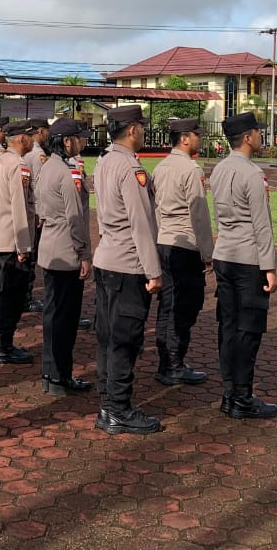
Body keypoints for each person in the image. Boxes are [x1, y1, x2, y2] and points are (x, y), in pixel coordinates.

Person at [92, 105, 163, 435]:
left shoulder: (105, 160)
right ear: (132, 130)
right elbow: (141, 223)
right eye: (142, 127)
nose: (144, 132)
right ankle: (118, 408)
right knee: (125, 339)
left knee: (108, 337)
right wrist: (153, 271)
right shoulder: (130, 167)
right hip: (128, 263)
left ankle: (109, 403)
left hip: (106, 257)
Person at [209, 111, 277, 420]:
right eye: (258, 132)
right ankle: (242, 396)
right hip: (248, 259)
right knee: (248, 330)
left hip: (224, 253)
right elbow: (262, 225)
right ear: (248, 137)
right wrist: (270, 267)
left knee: (228, 328)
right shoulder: (252, 173)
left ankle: (230, 393)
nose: (261, 137)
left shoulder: (219, 170)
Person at [152, 118, 214, 386]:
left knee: (167, 305)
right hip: (185, 244)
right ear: (185, 138)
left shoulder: (160, 167)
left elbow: (153, 207)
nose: (199, 139)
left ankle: (167, 361)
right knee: (185, 306)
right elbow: (199, 214)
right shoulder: (190, 169)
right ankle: (173, 364)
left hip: (164, 239)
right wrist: (207, 252)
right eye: (196, 135)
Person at [36, 117, 93, 395]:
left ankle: (51, 373)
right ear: (66, 141)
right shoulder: (64, 173)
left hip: (50, 248)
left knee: (53, 314)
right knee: (65, 319)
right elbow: (75, 218)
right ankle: (60, 375)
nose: (82, 142)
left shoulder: (47, 168)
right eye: (78, 138)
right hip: (66, 251)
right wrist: (84, 253)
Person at [0, 119, 37, 364]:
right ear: (21, 139)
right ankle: (2, 346)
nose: (34, 140)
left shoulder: (0, 160)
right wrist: (24, 246)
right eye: (31, 136)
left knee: (4, 294)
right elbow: (20, 208)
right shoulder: (18, 164)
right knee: (11, 297)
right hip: (13, 243)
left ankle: (1, 343)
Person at [23, 119, 51, 313]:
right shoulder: (38, 153)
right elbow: (40, 188)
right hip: (33, 209)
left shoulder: (25, 152)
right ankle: (27, 298)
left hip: (25, 207)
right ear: (41, 131)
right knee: (30, 257)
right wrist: (41, 213)